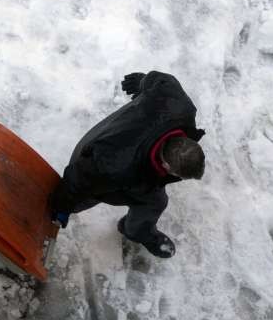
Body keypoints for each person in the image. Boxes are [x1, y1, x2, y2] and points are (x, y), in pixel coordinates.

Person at [49, 70, 206, 258]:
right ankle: (42, 215)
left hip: (115, 151)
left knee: (155, 201)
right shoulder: (116, 168)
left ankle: (136, 231)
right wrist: (61, 208)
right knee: (74, 199)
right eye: (179, 176)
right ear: (166, 166)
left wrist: (142, 83)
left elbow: (161, 79)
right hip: (91, 161)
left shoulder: (179, 107)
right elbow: (77, 179)